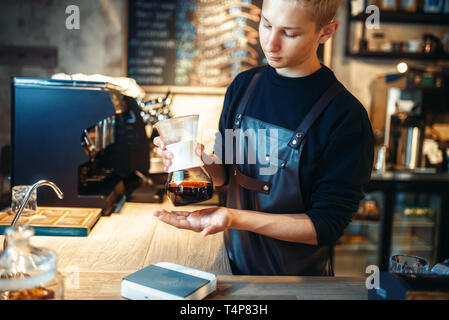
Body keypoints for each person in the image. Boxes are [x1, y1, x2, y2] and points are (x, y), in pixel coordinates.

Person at [153, 0, 374, 276]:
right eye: (266, 25)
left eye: (289, 33)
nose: (270, 44)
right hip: (230, 269)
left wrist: (233, 218)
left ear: (326, 32)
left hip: (296, 284)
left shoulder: (344, 116)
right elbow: (224, 174)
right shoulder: (243, 87)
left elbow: (327, 225)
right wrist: (195, 160)